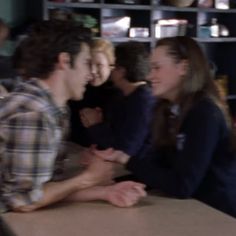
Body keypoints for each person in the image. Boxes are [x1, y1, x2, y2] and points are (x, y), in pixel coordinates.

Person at [0, 20, 146, 213]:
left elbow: (44, 190)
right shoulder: (34, 114)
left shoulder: (56, 108)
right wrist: (88, 178)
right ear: (65, 61)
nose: (90, 73)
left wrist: (104, 192)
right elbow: (23, 200)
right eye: (87, 63)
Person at [93, 36, 236, 218]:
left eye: (157, 68)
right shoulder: (168, 109)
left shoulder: (204, 113)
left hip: (218, 217)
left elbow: (181, 185)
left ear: (183, 68)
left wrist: (126, 161)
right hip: (191, 211)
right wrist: (107, 185)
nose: (149, 76)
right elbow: (158, 168)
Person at [80, 41, 155, 157]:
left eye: (112, 67)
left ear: (121, 71)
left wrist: (95, 125)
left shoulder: (142, 101)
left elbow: (125, 150)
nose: (110, 71)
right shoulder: (123, 97)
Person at [68, 38, 122, 146]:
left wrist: (95, 124)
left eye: (99, 65)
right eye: (89, 64)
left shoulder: (118, 94)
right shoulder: (78, 90)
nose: (92, 71)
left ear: (111, 66)